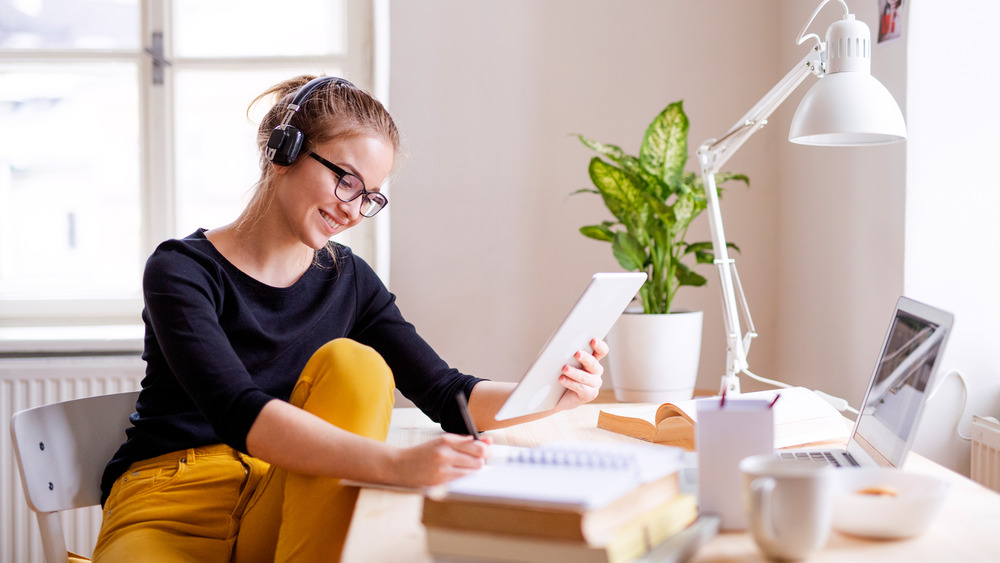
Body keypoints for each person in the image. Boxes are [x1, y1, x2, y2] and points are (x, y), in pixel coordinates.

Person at [92, 75, 609, 563]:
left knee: (354, 365)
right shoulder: (181, 269)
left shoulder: (350, 280)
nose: (354, 210)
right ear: (283, 152)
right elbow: (234, 408)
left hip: (286, 492)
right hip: (172, 498)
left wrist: (551, 391)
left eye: (370, 196)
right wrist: (394, 466)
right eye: (346, 180)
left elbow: (448, 394)